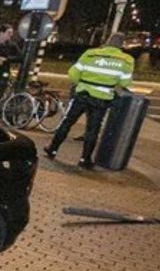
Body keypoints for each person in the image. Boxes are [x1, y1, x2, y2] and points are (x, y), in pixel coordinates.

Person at [44, 33, 135, 169]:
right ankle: (84, 159)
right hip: (101, 99)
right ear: (122, 44)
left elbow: (73, 73)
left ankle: (53, 149)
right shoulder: (127, 60)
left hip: (82, 94)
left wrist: (81, 84)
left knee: (67, 122)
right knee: (93, 129)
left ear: (108, 41)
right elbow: (125, 82)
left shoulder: (90, 54)